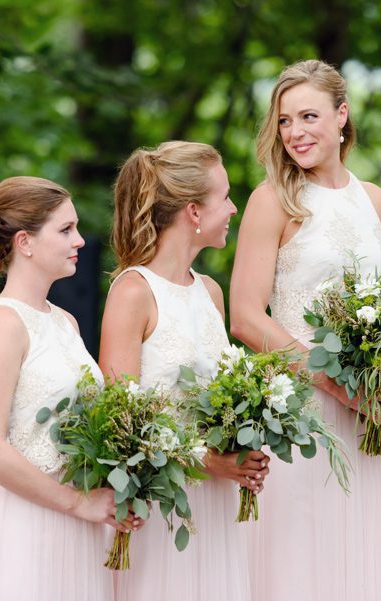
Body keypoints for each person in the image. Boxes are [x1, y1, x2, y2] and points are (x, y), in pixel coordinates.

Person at [229, 59, 381, 600]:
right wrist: (332, 382)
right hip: (300, 410)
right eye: (284, 121)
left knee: (362, 558)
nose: (295, 133)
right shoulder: (274, 201)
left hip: (370, 417)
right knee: (298, 562)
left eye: (308, 116)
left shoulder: (374, 201)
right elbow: (244, 316)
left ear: (342, 115)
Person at [0, 177, 138, 600]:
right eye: (66, 230)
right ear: (25, 242)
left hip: (77, 523)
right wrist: (75, 503)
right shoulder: (1, 322)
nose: (81, 240)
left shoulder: (64, 322)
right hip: (24, 521)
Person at [99, 141, 269, 601]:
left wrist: (244, 441)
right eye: (226, 196)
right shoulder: (133, 293)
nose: (234, 207)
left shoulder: (210, 292)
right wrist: (208, 460)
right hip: (161, 507)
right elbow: (119, 427)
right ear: (194, 211)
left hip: (216, 505)